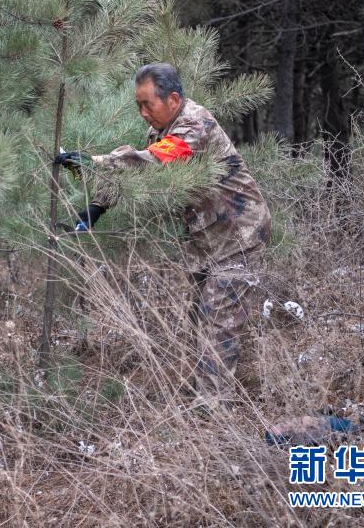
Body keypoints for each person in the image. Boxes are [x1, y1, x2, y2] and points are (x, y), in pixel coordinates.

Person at [55, 63, 272, 399]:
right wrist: (95, 209)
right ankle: (205, 395)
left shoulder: (194, 126)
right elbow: (139, 169)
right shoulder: (164, 128)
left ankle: (214, 411)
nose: (142, 113)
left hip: (239, 236)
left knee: (219, 325)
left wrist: (95, 162)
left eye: (148, 105)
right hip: (207, 238)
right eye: (138, 105)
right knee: (200, 317)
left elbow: (157, 160)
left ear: (172, 99)